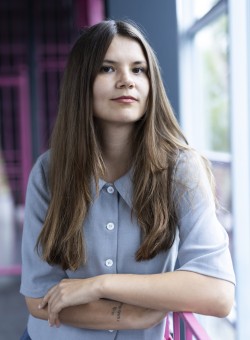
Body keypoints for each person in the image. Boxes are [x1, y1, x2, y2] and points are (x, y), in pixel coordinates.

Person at [20, 19, 235, 340]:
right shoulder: (48, 172)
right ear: (82, 82)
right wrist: (135, 315)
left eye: (138, 69)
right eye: (107, 69)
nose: (126, 81)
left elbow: (217, 294)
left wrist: (100, 285)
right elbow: (39, 299)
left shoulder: (182, 169)